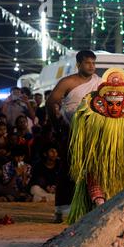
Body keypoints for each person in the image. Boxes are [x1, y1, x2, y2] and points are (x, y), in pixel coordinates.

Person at [67, 68, 124, 224]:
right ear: (101, 103)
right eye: (110, 104)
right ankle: (99, 206)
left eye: (118, 104)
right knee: (94, 173)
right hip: (101, 162)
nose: (114, 107)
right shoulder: (95, 119)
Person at [46, 50, 102, 223]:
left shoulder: (99, 82)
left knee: (93, 168)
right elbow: (51, 102)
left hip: (93, 132)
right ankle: (61, 209)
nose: (91, 66)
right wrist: (57, 125)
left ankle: (90, 205)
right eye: (87, 63)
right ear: (79, 64)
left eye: (93, 63)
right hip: (70, 131)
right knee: (68, 169)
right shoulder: (67, 82)